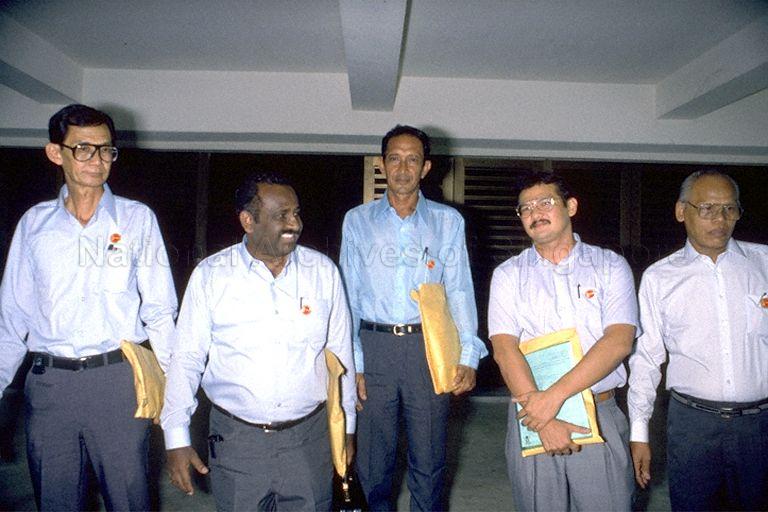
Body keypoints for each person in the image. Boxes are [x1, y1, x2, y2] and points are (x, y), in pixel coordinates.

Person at [0, 104, 178, 511]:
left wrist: (176, 387)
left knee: (130, 500)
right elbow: (12, 317)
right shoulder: (34, 225)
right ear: (55, 153)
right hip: (49, 386)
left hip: (118, 382)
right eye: (83, 149)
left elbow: (159, 310)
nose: (97, 160)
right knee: (55, 501)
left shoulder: (137, 220)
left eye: (106, 149)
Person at [162, 172, 356, 510]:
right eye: (282, 215)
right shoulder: (211, 276)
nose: (294, 223)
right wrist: (176, 438)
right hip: (237, 442)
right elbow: (187, 359)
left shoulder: (323, 272)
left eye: (296, 213)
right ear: (248, 221)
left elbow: (341, 356)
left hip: (309, 441)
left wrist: (347, 429)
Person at [340, 125, 488, 511]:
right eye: (394, 158)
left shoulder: (447, 221)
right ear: (381, 164)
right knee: (373, 463)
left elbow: (459, 290)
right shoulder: (357, 221)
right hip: (374, 348)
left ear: (426, 168)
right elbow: (348, 296)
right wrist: (353, 362)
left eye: (412, 159)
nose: (403, 168)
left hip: (429, 348)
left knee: (430, 458)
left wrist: (468, 355)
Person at [488, 171, 638, 511]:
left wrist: (552, 400)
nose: (535, 213)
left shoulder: (610, 266)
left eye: (545, 203)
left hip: (597, 409)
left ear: (571, 207)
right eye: (526, 208)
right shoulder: (508, 275)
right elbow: (504, 349)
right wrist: (542, 416)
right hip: (530, 414)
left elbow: (618, 341)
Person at [627, 170, 768, 511]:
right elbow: (646, 359)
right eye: (707, 208)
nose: (720, 219)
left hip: (760, 426)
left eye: (729, 209)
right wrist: (639, 432)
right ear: (681, 211)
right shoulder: (660, 278)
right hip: (692, 426)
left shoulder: (764, 263)